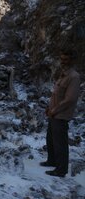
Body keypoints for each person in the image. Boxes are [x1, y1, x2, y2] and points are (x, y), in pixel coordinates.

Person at [40, 49, 81, 177]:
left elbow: (70, 99)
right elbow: (56, 95)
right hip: (53, 113)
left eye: (66, 59)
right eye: (62, 59)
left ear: (72, 60)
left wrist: (54, 110)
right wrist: (49, 108)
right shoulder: (63, 74)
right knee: (51, 139)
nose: (63, 62)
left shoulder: (74, 77)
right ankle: (52, 161)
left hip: (61, 115)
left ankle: (61, 169)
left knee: (60, 143)